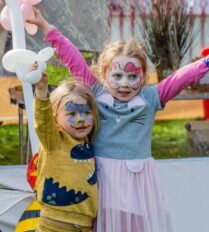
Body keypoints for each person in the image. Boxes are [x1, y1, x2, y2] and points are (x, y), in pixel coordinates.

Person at [27, 9, 209, 232]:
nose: (125, 84)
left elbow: (180, 78)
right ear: (104, 75)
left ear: (143, 76)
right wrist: (46, 26)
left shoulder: (150, 98)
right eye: (118, 76)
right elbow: (72, 58)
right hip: (105, 179)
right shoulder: (96, 92)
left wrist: (206, 63)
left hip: (137, 182)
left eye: (133, 76)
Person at [33, 65, 99, 232]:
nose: (81, 119)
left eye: (86, 112)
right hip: (54, 224)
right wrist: (41, 92)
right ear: (55, 116)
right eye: (72, 114)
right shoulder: (54, 141)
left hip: (85, 226)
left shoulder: (89, 144)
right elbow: (43, 121)